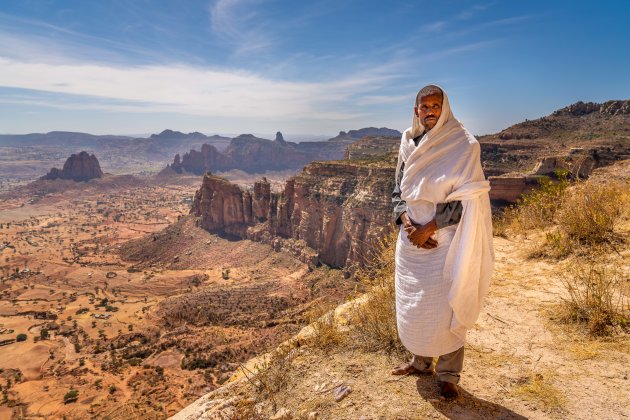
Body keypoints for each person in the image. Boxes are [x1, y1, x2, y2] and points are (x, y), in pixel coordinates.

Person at [390, 84, 494, 399]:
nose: (430, 111)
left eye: (436, 105)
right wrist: (407, 223)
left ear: (444, 107)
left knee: (449, 304)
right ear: (416, 110)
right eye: (425, 106)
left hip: (447, 241)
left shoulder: (464, 145)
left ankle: (449, 375)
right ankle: (420, 363)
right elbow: (398, 190)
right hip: (411, 243)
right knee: (418, 306)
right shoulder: (407, 143)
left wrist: (430, 227)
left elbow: (468, 199)